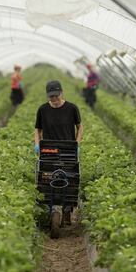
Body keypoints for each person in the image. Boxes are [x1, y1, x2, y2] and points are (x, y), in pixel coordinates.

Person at [34, 80, 84, 225]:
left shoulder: (72, 108)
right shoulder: (42, 110)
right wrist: (37, 144)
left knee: (69, 178)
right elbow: (37, 129)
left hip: (68, 150)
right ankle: (51, 208)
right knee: (47, 178)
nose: (54, 99)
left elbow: (80, 127)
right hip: (49, 150)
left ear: (61, 93)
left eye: (56, 96)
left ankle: (68, 209)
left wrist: (77, 143)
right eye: (51, 97)